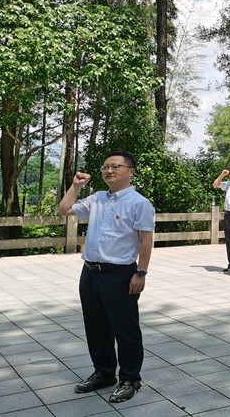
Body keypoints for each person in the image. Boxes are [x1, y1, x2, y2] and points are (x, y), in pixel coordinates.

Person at [58, 151, 154, 403]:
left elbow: (146, 241)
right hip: (90, 272)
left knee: (125, 329)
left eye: (116, 166)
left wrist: (140, 273)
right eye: (105, 167)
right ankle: (104, 372)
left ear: (130, 172)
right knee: (96, 327)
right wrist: (76, 186)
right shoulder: (97, 198)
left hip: (120, 274)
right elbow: (64, 209)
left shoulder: (139, 203)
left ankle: (130, 378)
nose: (109, 170)